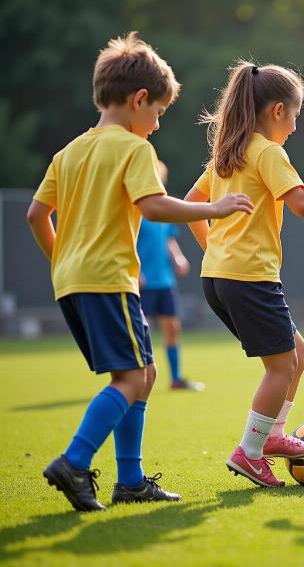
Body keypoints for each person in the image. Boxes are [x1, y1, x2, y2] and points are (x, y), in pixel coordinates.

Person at [26, 32, 253, 511]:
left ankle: (130, 481)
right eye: (157, 114)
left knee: (142, 374)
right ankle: (74, 461)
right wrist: (216, 207)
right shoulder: (133, 150)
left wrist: (62, 262)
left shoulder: (67, 153)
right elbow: (153, 207)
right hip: (108, 279)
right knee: (131, 380)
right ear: (139, 99)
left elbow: (35, 215)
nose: (154, 126)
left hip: (71, 283)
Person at [185, 61, 304, 487]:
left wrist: (215, 251)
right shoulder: (267, 152)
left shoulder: (229, 153)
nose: (296, 127)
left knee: (297, 354)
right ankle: (249, 451)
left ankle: (272, 436)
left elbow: (192, 204)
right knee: (280, 367)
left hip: (219, 279)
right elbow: (301, 204)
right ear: (278, 111)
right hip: (249, 278)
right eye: (296, 115)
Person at [137, 160, 205, 391]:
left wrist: (177, 257)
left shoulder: (162, 212)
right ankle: (136, 378)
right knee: (140, 333)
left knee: (172, 328)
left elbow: (169, 239)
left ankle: (176, 378)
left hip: (165, 281)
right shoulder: (137, 211)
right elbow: (125, 242)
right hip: (142, 282)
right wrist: (135, 271)